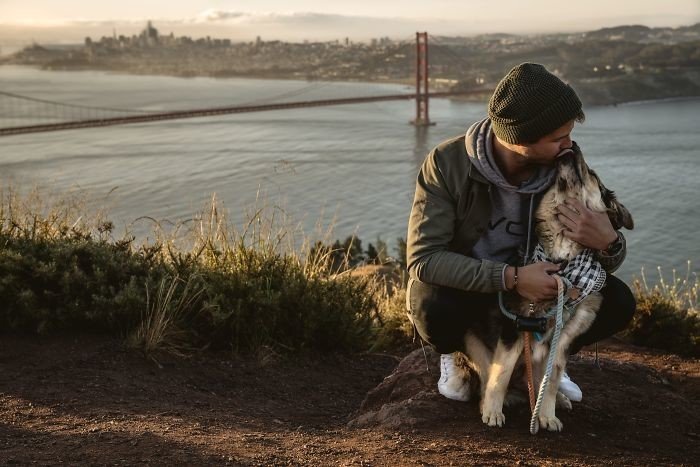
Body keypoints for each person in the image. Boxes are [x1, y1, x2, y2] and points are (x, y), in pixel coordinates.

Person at [405, 63, 636, 403]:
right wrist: (511, 277)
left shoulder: (567, 167)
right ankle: (457, 354)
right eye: (558, 138)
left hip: (537, 296)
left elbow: (592, 267)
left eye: (569, 134)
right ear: (518, 140)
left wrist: (609, 242)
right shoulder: (447, 164)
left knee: (617, 301)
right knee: (431, 303)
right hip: (474, 291)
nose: (569, 145)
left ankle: (546, 359)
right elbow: (424, 261)